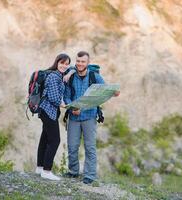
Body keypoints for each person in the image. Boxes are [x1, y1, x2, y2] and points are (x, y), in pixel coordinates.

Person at [64, 51, 120, 184]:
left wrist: (115, 92)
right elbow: (66, 96)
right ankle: (73, 172)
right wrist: (72, 107)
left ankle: (90, 175)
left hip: (90, 116)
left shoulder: (94, 76)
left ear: (88, 63)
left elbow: (105, 90)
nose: (80, 64)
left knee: (90, 147)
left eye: (83, 61)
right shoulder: (71, 77)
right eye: (78, 61)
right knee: (72, 146)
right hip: (74, 117)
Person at [35, 53, 71, 181]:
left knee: (45, 139)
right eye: (62, 63)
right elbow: (54, 98)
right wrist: (64, 104)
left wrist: (69, 73)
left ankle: (39, 168)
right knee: (55, 140)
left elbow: (71, 69)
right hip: (48, 111)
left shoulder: (58, 75)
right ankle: (47, 170)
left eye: (67, 64)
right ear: (57, 62)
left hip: (46, 111)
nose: (64, 66)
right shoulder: (54, 77)